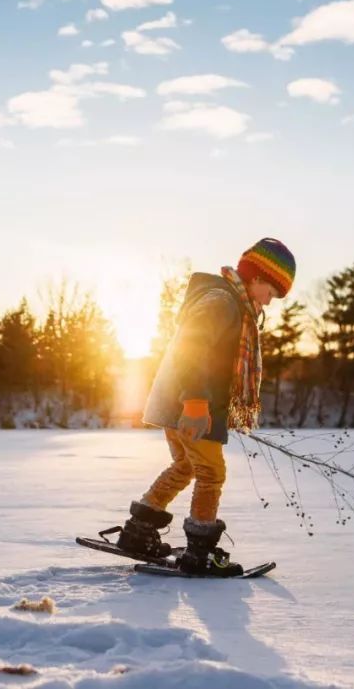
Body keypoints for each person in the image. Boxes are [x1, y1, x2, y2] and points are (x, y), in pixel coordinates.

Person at [116, 238, 296, 576]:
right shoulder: (222, 302)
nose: (269, 303)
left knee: (185, 466)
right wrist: (196, 402)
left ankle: (137, 532)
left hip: (179, 401)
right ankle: (201, 551)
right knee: (211, 473)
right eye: (271, 293)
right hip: (192, 404)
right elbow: (192, 347)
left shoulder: (226, 301)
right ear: (256, 278)